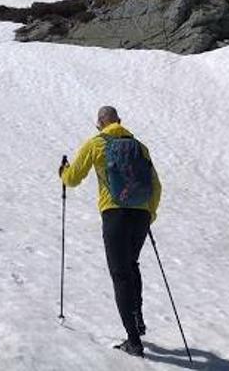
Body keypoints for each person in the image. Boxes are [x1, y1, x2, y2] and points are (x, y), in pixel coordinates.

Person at [59, 105, 161, 358]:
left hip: (114, 215)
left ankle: (134, 341)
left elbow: (72, 178)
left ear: (99, 124)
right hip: (140, 216)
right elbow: (156, 185)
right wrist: (150, 214)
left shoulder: (96, 144)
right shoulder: (140, 147)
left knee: (120, 274)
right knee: (132, 265)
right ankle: (137, 319)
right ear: (119, 121)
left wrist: (62, 171)